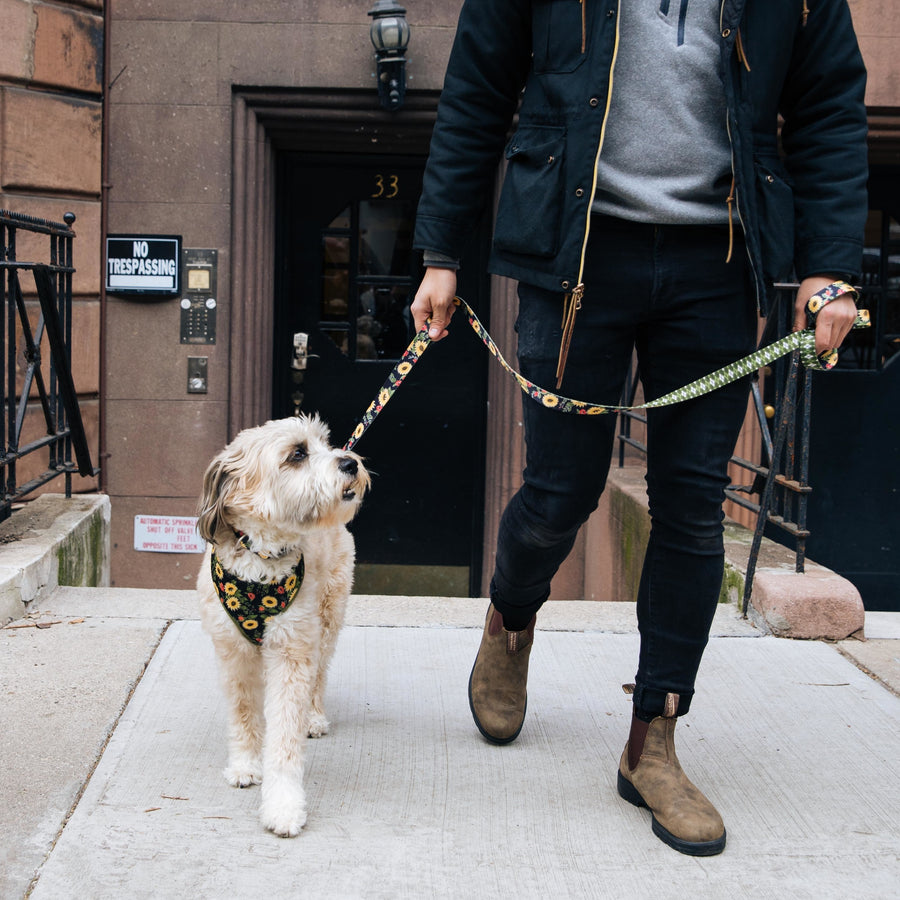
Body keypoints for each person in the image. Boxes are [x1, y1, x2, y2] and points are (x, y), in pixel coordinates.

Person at [411, 0, 868, 856]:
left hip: (720, 257)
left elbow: (828, 104)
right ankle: (511, 619)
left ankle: (652, 741)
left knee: (694, 508)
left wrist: (829, 267)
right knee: (558, 490)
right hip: (577, 249)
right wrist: (441, 250)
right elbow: (477, 88)